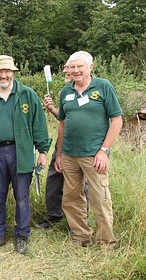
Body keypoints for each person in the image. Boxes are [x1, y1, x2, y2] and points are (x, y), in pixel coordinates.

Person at [0, 55, 50, 254]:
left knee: (22, 196)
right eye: (0, 72)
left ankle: (22, 235)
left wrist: (42, 151)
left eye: (7, 71)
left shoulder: (27, 95)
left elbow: (39, 124)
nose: (4, 75)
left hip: (21, 152)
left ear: (13, 73)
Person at [55, 51, 123, 249]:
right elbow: (62, 125)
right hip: (69, 154)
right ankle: (81, 237)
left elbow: (117, 121)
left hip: (94, 155)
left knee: (100, 199)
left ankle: (106, 242)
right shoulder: (65, 92)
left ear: (90, 67)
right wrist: (59, 154)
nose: (76, 71)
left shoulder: (103, 86)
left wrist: (104, 150)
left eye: (80, 67)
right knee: (71, 199)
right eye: (72, 67)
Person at [38, 62, 89, 229]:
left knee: (81, 185)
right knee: (54, 177)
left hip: (83, 148)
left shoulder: (88, 90)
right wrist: (52, 108)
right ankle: (54, 214)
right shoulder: (66, 92)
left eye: (70, 67)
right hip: (63, 143)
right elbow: (63, 120)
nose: (67, 70)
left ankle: (79, 222)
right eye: (66, 68)